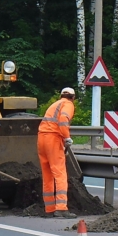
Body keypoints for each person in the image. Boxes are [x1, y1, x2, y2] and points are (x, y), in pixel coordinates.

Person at [37, 87, 78, 218]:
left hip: (42, 138)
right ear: (73, 97)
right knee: (59, 173)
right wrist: (67, 137)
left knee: (47, 174)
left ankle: (49, 208)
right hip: (53, 139)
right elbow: (63, 120)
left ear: (61, 95)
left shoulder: (55, 104)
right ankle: (61, 208)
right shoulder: (68, 104)